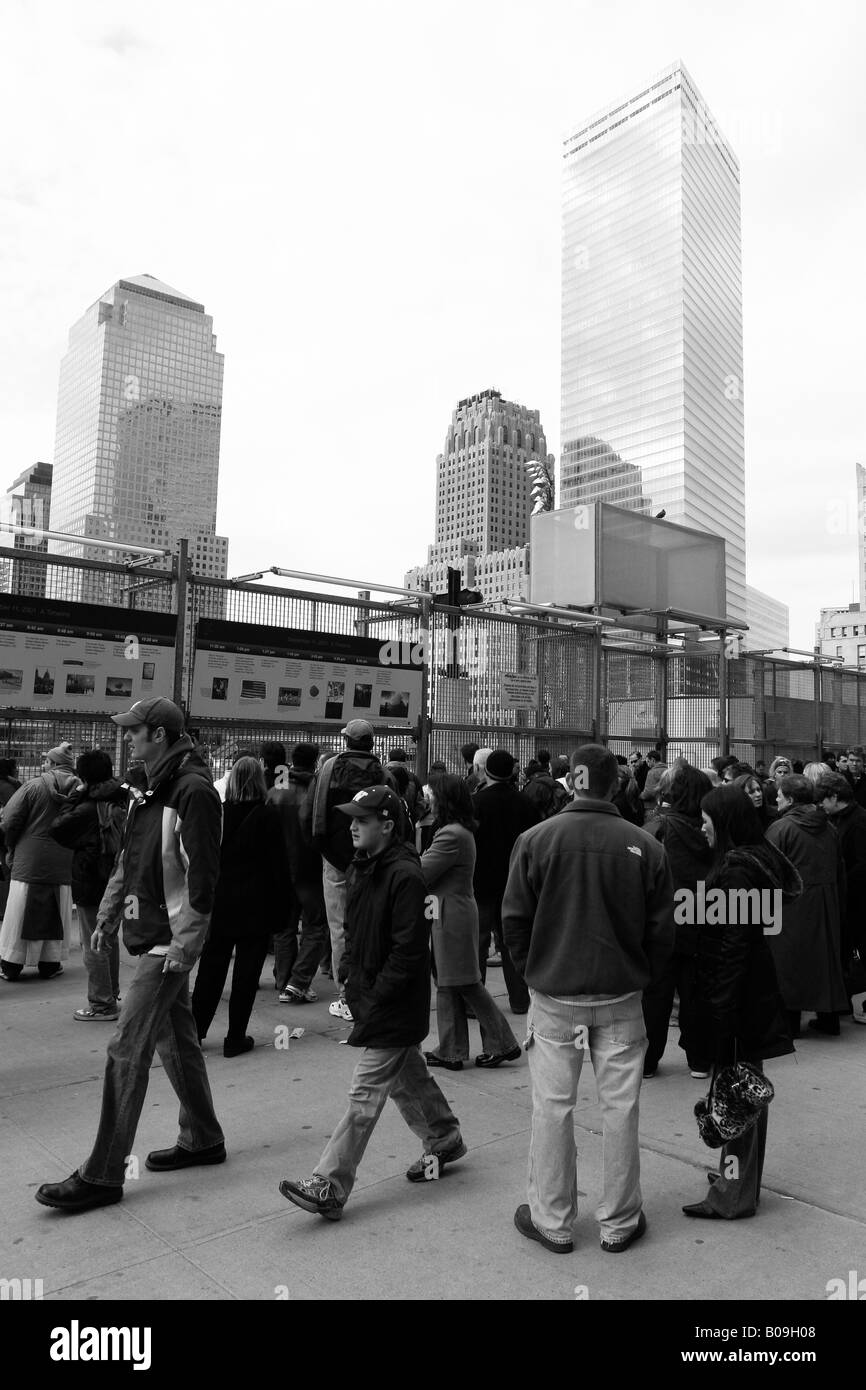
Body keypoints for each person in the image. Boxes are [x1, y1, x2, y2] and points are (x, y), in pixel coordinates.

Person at [34, 697, 224, 1214]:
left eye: (135, 731)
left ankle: (102, 1173)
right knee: (176, 1042)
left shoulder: (192, 792)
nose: (128, 739)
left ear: (159, 734)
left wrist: (183, 948)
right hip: (154, 937)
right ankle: (203, 1137)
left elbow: (203, 882)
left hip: (167, 944)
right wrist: (107, 916)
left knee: (125, 1048)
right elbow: (129, 861)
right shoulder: (151, 788)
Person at [502, 743, 674, 1255]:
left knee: (552, 1108)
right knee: (621, 1109)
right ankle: (619, 1221)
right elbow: (663, 933)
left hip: (555, 995)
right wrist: (641, 974)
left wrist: (535, 971)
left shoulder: (535, 840)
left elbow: (514, 920)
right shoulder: (646, 845)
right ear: (615, 783)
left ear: (570, 781)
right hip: (622, 995)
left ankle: (552, 1220)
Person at [278, 786, 466, 1220]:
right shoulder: (363, 866)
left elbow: (409, 952)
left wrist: (374, 996)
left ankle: (329, 1183)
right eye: (351, 819)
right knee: (406, 1078)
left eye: (361, 820)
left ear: (386, 825)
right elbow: (357, 934)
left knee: (364, 1094)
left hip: (393, 1004)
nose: (351, 826)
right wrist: (350, 982)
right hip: (373, 998)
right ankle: (444, 1139)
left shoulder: (405, 875)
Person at [683, 785, 799, 1220]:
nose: (702, 826)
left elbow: (732, 949)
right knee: (739, 1096)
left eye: (707, 819)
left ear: (725, 822)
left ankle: (733, 1193)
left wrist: (719, 1011)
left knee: (736, 1101)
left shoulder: (735, 872)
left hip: (736, 1002)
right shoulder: (754, 860)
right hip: (749, 996)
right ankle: (737, 1179)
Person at [192, 757, 292, 1055]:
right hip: (256, 906)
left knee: (210, 970)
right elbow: (279, 867)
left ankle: (195, 1033)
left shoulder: (219, 814)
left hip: (221, 903)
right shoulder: (268, 816)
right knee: (247, 975)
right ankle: (235, 1037)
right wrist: (283, 909)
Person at [420, 775, 520, 1071]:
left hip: (452, 915)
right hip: (451, 912)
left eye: (433, 796)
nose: (429, 801)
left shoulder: (450, 834)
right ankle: (453, 1050)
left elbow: (423, 873)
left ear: (444, 800)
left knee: (462, 983)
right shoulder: (456, 830)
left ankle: (501, 1043)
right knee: (452, 983)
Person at [309, 720, 391, 1022]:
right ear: (371, 742)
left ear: (346, 740)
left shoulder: (328, 769)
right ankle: (373, 988)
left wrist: (324, 850)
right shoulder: (382, 773)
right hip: (373, 859)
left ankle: (346, 993)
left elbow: (313, 814)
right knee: (374, 923)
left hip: (335, 859)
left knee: (339, 927)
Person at [641, 763, 714, 1079]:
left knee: (655, 997)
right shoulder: (712, 831)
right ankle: (700, 1059)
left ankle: (646, 1060)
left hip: (661, 926)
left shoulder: (656, 830)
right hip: (703, 921)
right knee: (697, 994)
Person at [765, 774, 848, 1038]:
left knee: (789, 963)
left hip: (792, 906)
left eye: (779, 794)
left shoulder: (781, 828)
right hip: (826, 902)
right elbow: (840, 867)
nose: (776, 798)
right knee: (825, 961)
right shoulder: (829, 827)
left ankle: (790, 1024)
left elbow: (767, 870)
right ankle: (829, 1018)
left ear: (789, 799)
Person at [49, 749, 128, 1020]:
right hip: (117, 879)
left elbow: (58, 828)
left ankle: (101, 1003)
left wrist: (76, 794)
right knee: (108, 938)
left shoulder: (86, 807)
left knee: (92, 942)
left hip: (90, 879)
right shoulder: (122, 796)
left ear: (83, 776)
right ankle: (111, 992)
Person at [0, 744, 79, 981]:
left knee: (19, 913)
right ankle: (50, 963)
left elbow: (10, 821)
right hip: (64, 859)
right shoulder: (80, 789)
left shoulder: (33, 787)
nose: (43, 765)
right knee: (58, 910)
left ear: (54, 764)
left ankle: (10, 965)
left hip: (29, 860)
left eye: (46, 761)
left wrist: (10, 846)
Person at [473, 748, 540, 1014]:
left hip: (481, 881)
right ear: (511, 771)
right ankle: (520, 1000)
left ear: (484, 770)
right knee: (512, 942)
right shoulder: (523, 802)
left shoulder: (476, 802)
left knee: (478, 943)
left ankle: (474, 1002)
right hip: (514, 882)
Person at [268, 742, 330, 1003]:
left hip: (281, 869)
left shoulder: (274, 792)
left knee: (284, 926)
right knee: (315, 926)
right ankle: (298, 980)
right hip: (310, 868)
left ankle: (285, 980)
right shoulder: (317, 794)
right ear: (315, 762)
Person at [816, 770, 866, 964]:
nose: (820, 805)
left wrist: (839, 881)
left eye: (823, 800)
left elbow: (862, 865)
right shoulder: (835, 818)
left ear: (835, 797)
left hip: (856, 904)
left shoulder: (860, 822)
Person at [0, 757, 22, 919]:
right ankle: (6, 909)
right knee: (7, 871)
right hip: (5, 835)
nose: (18, 769)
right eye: (15, 766)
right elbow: (15, 813)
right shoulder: (8, 787)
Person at [640, 750, 669, 823]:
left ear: (653, 760)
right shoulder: (668, 771)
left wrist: (640, 795)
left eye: (648, 762)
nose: (647, 764)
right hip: (665, 807)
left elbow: (649, 792)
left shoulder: (652, 772)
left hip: (651, 807)